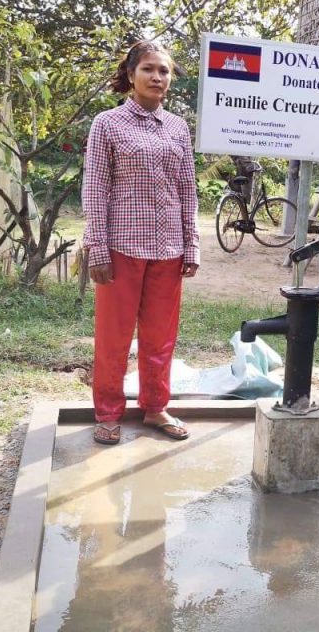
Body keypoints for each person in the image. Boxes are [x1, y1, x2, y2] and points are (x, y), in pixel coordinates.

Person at [82, 40, 200, 446]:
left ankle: (155, 407)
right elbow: (95, 189)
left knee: (160, 337)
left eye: (164, 71)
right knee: (113, 338)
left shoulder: (178, 128)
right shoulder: (108, 124)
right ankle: (108, 412)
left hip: (169, 250)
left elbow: (187, 188)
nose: (157, 77)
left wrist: (192, 244)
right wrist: (96, 247)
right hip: (121, 248)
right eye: (149, 69)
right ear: (131, 75)